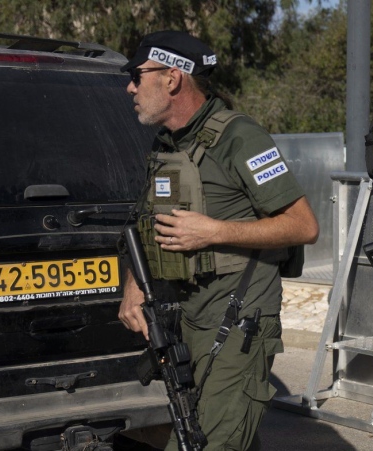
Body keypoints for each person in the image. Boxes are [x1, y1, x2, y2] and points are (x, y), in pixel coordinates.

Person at [118, 30, 319, 451]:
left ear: (172, 79)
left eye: (138, 75)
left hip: (239, 320)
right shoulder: (169, 144)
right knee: (213, 431)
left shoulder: (240, 137)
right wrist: (134, 286)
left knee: (207, 441)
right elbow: (147, 222)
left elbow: (302, 225)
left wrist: (215, 231)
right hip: (190, 318)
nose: (130, 87)